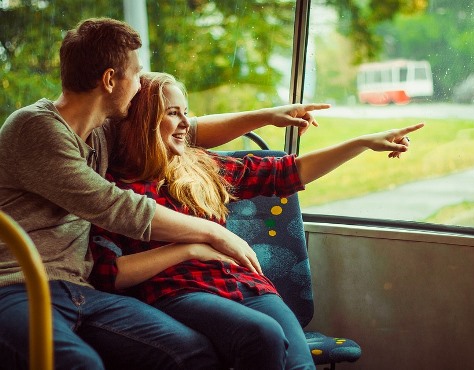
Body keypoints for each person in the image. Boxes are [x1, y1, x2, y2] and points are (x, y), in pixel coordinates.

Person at [0, 17, 331, 370]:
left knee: (190, 352)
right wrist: (214, 233)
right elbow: (116, 207)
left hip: (83, 291)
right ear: (110, 80)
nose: (141, 83)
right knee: (79, 363)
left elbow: (188, 129)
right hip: (18, 288)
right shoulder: (35, 128)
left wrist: (268, 115)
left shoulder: (99, 131)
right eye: (137, 73)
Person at [89, 72, 424, 370]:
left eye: (186, 113)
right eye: (172, 113)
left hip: (246, 283)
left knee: (297, 360)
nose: (186, 124)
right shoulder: (114, 187)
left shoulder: (201, 165)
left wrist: (362, 143)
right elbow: (109, 274)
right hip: (179, 291)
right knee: (263, 335)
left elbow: (290, 172)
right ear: (145, 121)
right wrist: (189, 249)